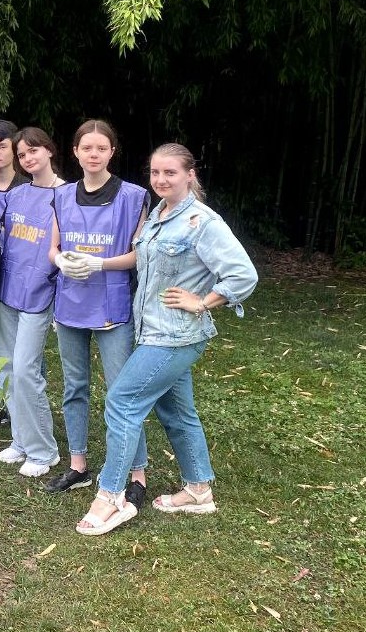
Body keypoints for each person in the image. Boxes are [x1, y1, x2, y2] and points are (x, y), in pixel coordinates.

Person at [76, 143, 258, 535]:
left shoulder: (202, 222)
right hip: (153, 330)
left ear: (190, 175)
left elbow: (244, 275)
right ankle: (198, 491)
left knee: (122, 402)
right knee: (177, 412)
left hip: (175, 336)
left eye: (170, 173)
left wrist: (202, 301)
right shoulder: (159, 214)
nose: (160, 180)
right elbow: (144, 261)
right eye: (155, 173)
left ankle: (111, 497)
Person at [45, 121, 150, 504]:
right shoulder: (60, 197)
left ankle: (136, 473)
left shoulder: (133, 197)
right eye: (86, 147)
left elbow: (140, 254)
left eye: (101, 148)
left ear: (111, 152)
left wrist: (99, 264)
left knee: (122, 391)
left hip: (111, 304)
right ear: (74, 152)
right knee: (74, 386)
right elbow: (52, 248)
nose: (93, 154)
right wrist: (62, 261)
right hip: (71, 302)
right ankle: (78, 465)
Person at [0, 129, 61, 478]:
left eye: (33, 151)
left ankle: (43, 450)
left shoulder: (66, 194)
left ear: (49, 151)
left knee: (25, 370)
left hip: (39, 292)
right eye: (22, 155)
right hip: (8, 291)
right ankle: (21, 441)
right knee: (5, 369)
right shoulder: (17, 194)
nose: (28, 159)